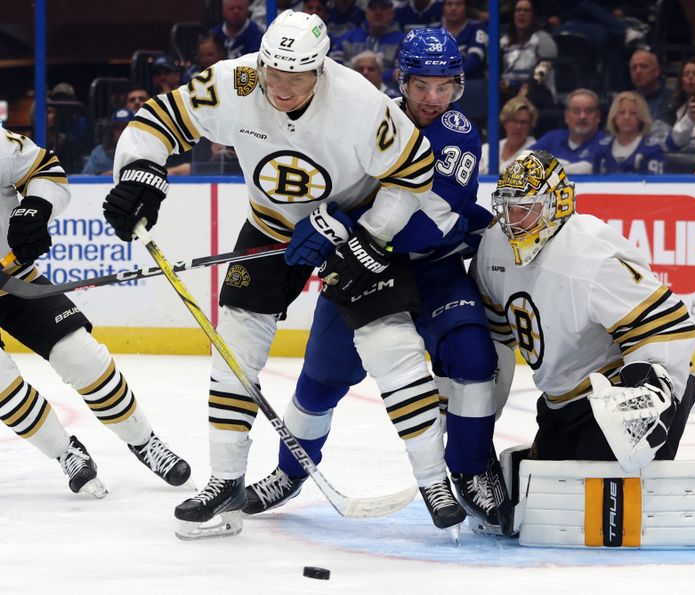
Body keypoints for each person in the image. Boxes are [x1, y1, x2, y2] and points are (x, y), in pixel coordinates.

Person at [102, 11, 458, 539]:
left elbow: (415, 174)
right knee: (236, 346)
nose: (282, 88)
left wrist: (363, 232)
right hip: (271, 225)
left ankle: (434, 481)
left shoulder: (360, 103)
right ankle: (225, 478)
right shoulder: (238, 80)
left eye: (296, 79)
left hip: (352, 226)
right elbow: (157, 120)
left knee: (392, 346)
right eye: (274, 74)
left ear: (321, 70)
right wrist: (138, 171)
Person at [242, 27, 504, 535]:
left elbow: (431, 217)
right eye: (422, 85)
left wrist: (348, 229)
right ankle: (290, 471)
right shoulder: (364, 118)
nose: (433, 99)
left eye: (444, 86)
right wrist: (320, 221)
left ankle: (471, 469)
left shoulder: (457, 132)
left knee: (473, 355)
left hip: (431, 267)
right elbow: (330, 188)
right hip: (360, 273)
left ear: (457, 87)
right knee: (320, 381)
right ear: (402, 80)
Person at [470, 148, 695, 476]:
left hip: (617, 396)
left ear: (557, 205)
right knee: (542, 507)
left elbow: (668, 328)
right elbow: (495, 335)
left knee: (594, 510)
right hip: (560, 400)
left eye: (526, 210)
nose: (514, 223)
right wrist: (478, 411)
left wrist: (651, 399)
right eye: (508, 209)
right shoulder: (494, 246)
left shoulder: (590, 255)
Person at [0, 127, 191, 497]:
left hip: (13, 275)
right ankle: (65, 452)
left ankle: (144, 441)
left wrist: (35, 209)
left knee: (80, 355)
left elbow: (46, 171)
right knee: (3, 389)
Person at [530, 88, 607, 174]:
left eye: (589, 111)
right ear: (566, 116)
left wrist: (551, 166)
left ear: (598, 117)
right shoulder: (552, 138)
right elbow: (523, 163)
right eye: (576, 111)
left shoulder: (606, 144)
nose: (582, 116)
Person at [332, 0, 406, 87]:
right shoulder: (349, 37)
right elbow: (333, 65)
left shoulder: (403, 40)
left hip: (387, 92)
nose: (378, 12)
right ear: (366, 11)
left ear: (392, 12)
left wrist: (376, 77)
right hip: (350, 87)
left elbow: (401, 72)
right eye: (373, 7)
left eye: (383, 7)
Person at [594, 91, 664, 175]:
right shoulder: (602, 147)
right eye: (621, 112)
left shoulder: (652, 149)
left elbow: (654, 185)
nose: (626, 117)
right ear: (614, 117)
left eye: (633, 113)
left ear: (641, 118)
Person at [500, 0, 557, 102]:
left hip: (536, 89)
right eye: (518, 10)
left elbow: (544, 66)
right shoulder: (503, 41)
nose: (522, 14)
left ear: (533, 16)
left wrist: (527, 87)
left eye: (526, 11)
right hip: (508, 89)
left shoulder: (544, 39)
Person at [479, 96, 537, 175]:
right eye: (514, 121)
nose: (518, 126)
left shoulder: (536, 153)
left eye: (523, 122)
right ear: (505, 123)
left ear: (530, 125)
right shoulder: (487, 149)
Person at [628, 49, 674, 129]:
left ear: (657, 71)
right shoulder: (626, 101)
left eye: (643, 66)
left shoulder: (673, 99)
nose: (638, 71)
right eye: (634, 68)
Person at [441, 0, 487, 79]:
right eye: (449, 4)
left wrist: (453, 77)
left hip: (469, 82)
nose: (453, 8)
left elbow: (475, 58)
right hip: (437, 82)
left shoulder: (477, 27)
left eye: (458, 4)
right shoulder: (433, 30)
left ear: (466, 7)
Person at [81, 108, 134, 175]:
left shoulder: (143, 150)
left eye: (126, 126)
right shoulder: (99, 153)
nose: (122, 131)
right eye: (117, 127)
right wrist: (103, 175)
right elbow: (85, 178)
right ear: (112, 131)